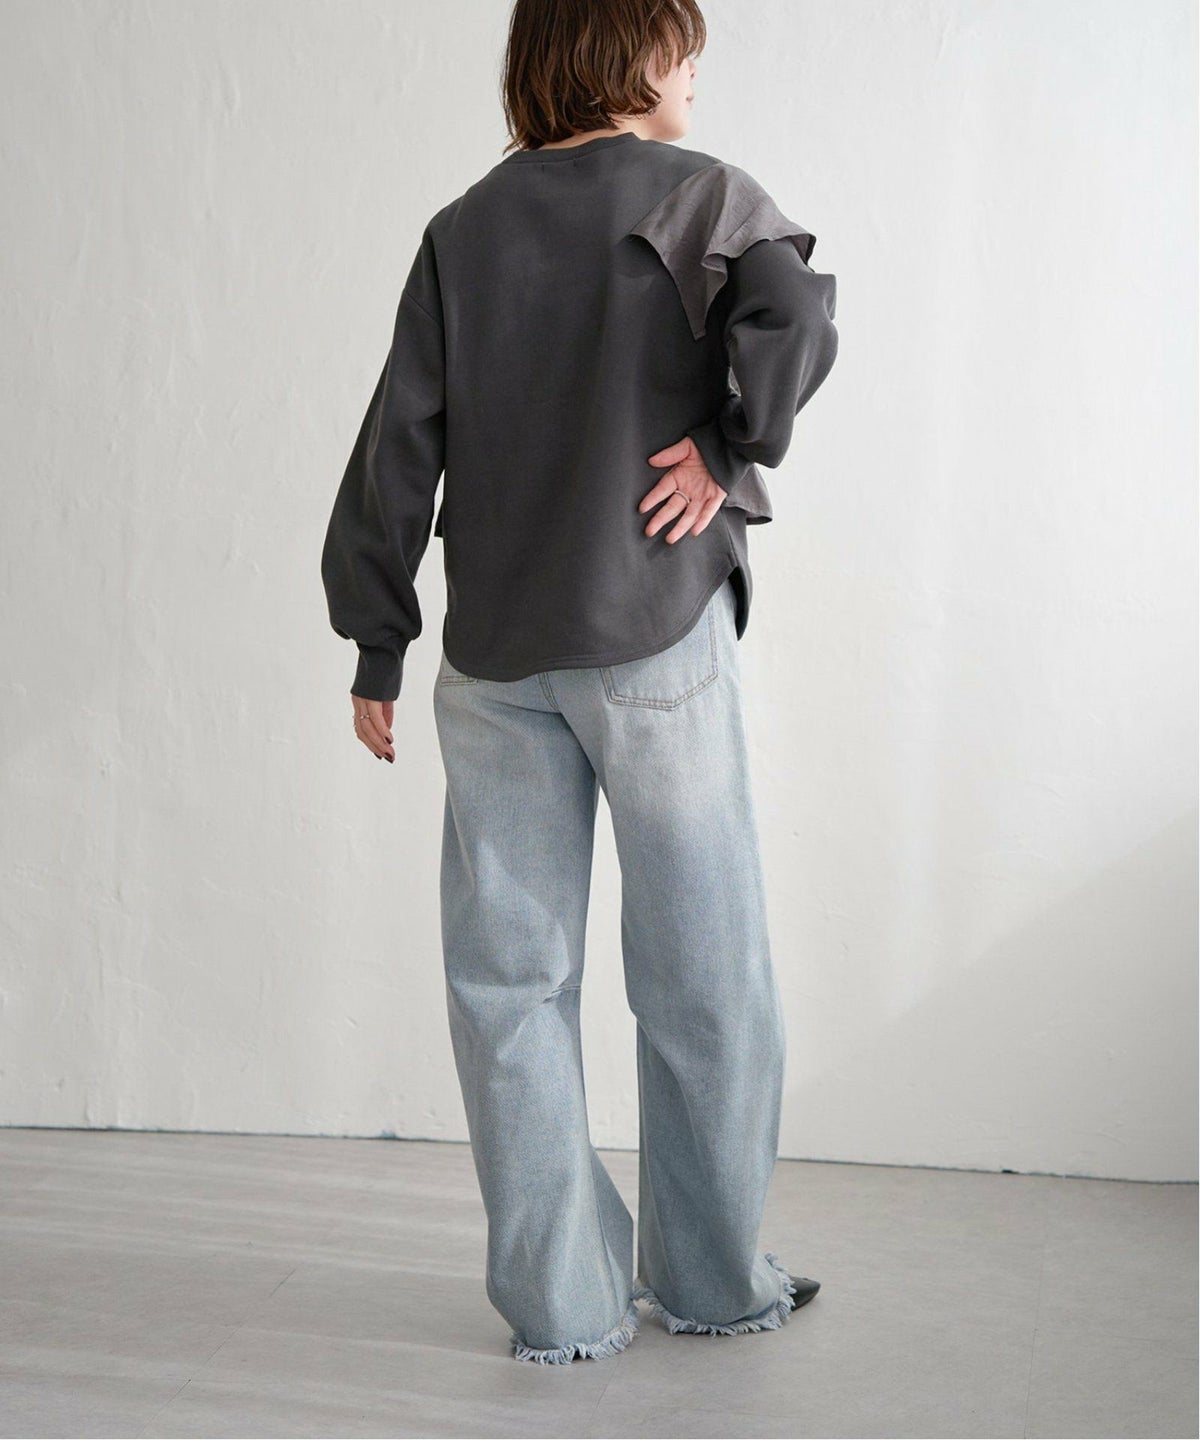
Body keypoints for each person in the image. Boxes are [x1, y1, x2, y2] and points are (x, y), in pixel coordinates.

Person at [320, 0, 839, 1364]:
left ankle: (562, 1309)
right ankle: (714, 1281)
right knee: (703, 972)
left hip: (494, 658)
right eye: (679, 44)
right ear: (624, 56)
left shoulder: (462, 230)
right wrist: (730, 446)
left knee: (508, 985)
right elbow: (798, 312)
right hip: (651, 633)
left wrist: (378, 636)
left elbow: (397, 445)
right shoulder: (700, 194)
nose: (694, 70)